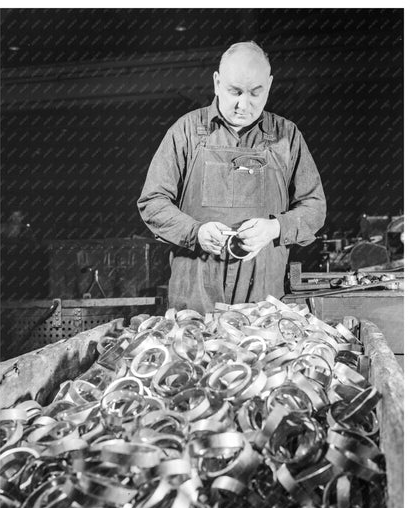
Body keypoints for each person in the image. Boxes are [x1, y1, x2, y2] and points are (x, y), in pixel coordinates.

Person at [138, 41, 326, 314]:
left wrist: (274, 229)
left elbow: (315, 208)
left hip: (262, 297)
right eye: (234, 91)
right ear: (216, 82)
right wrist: (196, 232)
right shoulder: (187, 131)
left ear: (269, 85)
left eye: (255, 93)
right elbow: (152, 202)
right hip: (196, 295)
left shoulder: (288, 136)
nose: (243, 104)